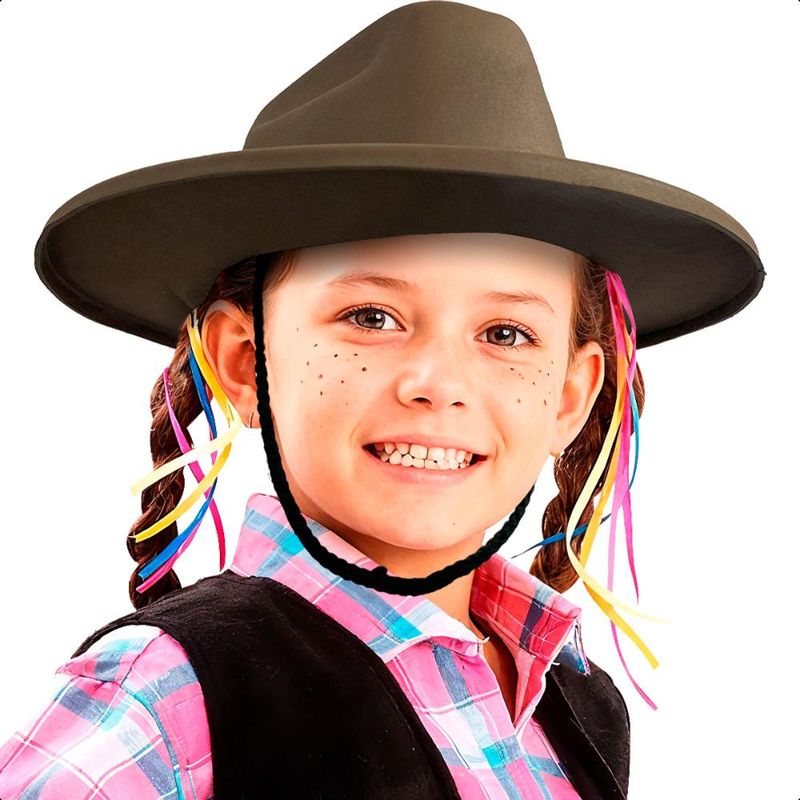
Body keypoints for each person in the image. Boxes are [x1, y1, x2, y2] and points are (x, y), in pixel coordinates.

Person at [0, 2, 764, 799]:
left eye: (505, 334)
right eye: (371, 317)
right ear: (246, 363)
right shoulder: (167, 700)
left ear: (569, 397)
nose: (437, 381)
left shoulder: (575, 704)